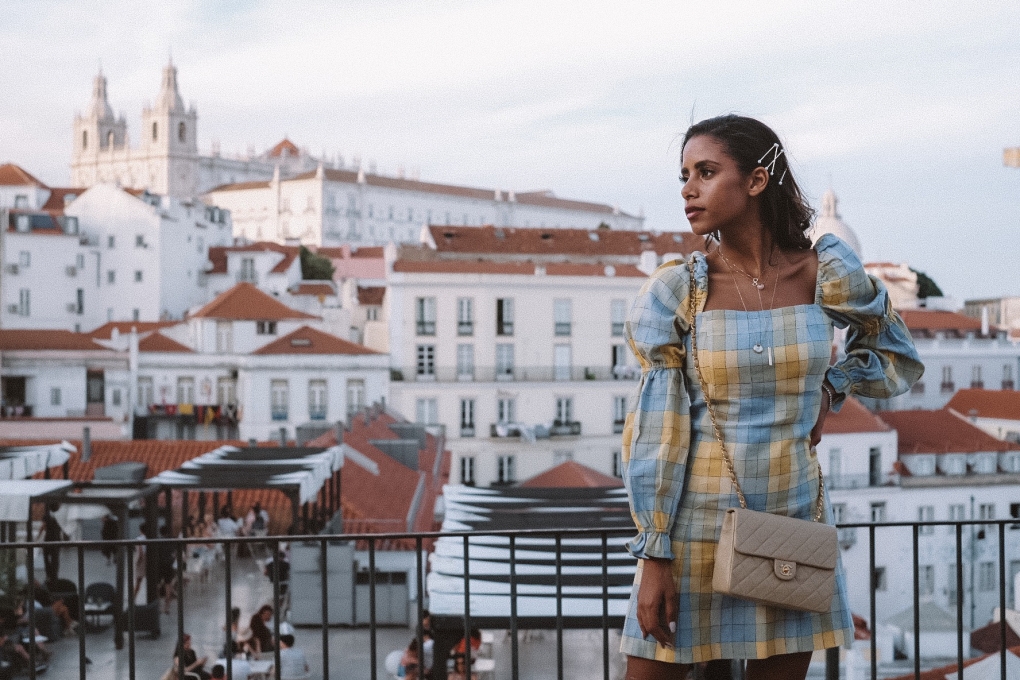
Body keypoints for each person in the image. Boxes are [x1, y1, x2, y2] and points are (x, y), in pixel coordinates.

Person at [620, 114, 923, 680]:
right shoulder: (678, 289)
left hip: (793, 516)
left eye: (706, 172)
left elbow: (896, 351)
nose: (688, 188)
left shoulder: (823, 273)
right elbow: (657, 430)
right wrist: (653, 552)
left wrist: (832, 388)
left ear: (757, 181)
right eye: (684, 175)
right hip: (691, 527)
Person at [37, 503, 64, 584]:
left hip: (48, 539)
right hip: (56, 539)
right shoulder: (60, 516)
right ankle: (54, 576)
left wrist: (38, 537)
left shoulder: (47, 516)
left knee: (46, 558)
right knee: (55, 558)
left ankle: (49, 575)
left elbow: (43, 526)